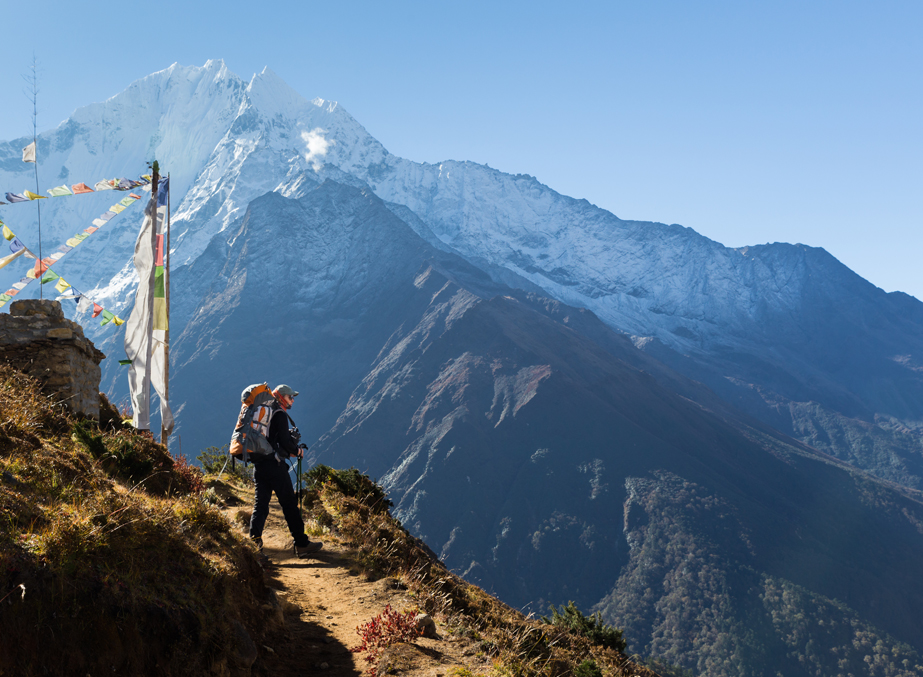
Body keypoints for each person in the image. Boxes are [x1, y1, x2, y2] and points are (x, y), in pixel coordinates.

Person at [248, 384, 323, 559]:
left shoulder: (265, 412)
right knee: (289, 504)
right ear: (282, 397)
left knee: (261, 504)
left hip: (260, 464)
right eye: (290, 397)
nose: (293, 400)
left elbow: (273, 440)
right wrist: (297, 451)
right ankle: (302, 544)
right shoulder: (279, 414)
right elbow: (285, 441)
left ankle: (254, 543)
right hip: (275, 466)